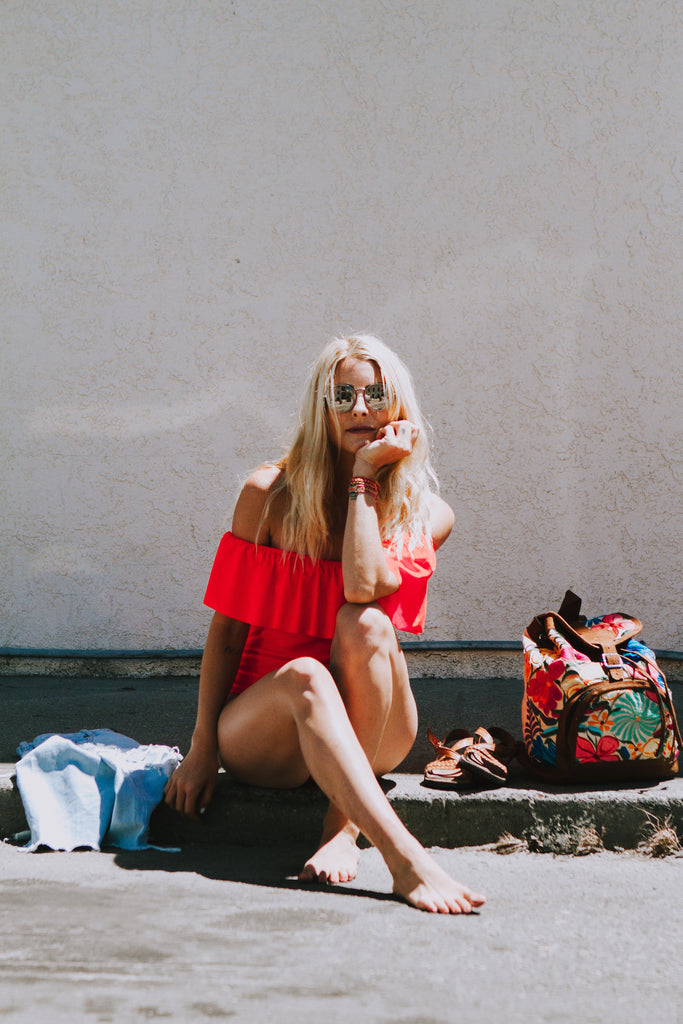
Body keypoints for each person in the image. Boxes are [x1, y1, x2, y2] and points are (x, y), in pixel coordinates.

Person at [164, 334, 485, 914]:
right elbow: (228, 632)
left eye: (374, 394)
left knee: (365, 624)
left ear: (397, 407)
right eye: (342, 396)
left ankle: (343, 830)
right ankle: (406, 860)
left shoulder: (427, 512)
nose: (360, 409)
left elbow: (364, 586)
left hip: (376, 727)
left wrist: (364, 477)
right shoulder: (269, 495)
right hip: (272, 728)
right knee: (309, 674)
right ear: (321, 407)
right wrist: (201, 746)